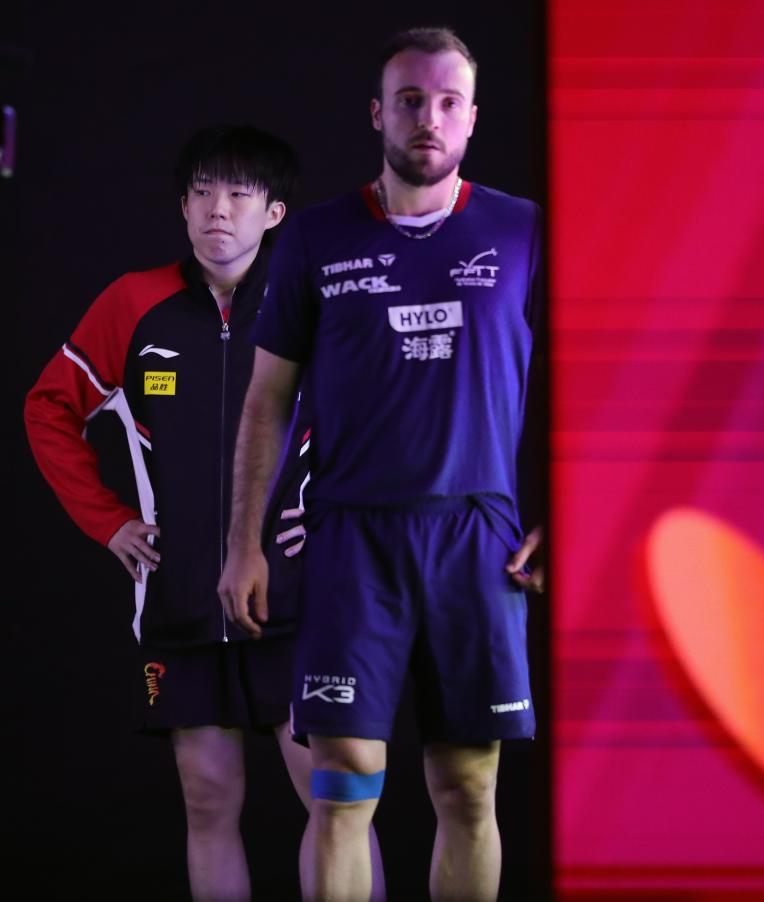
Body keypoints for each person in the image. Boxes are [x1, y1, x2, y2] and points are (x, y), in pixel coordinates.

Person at [218, 26, 544, 901]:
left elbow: (599, 377)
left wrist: (572, 513)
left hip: (477, 538)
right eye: (409, 100)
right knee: (342, 787)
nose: (427, 118)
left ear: (472, 118)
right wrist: (243, 544)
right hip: (351, 539)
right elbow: (266, 400)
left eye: (446, 102)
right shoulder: (316, 238)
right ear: (378, 114)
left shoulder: (524, 232)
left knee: (467, 788)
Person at [23, 125, 354, 900]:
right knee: (207, 802)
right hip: (180, 602)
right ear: (182, 205)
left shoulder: (316, 300)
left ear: (275, 212)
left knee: (335, 803)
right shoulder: (133, 303)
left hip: (301, 601)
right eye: (202, 192)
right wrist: (108, 521)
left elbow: (385, 419)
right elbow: (48, 408)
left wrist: (337, 513)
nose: (218, 210)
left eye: (239, 193)